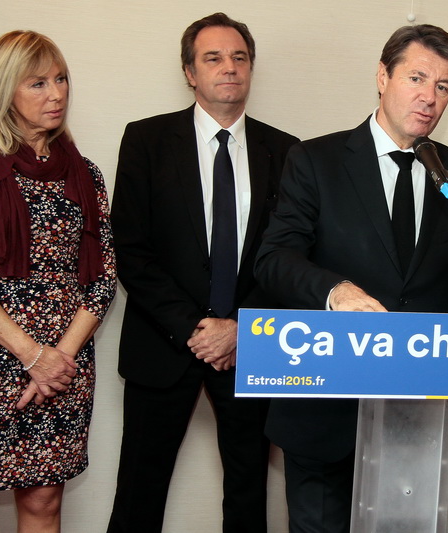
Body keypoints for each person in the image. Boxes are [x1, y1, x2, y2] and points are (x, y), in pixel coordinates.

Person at [254, 23, 448, 533]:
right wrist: (335, 291)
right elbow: (274, 259)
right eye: (417, 78)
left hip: (411, 417)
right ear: (382, 76)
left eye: (444, 86)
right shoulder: (316, 160)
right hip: (323, 405)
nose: (430, 97)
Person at [106, 12, 299, 533]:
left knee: (248, 493)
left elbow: (285, 255)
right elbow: (131, 249)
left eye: (239, 58)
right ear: (190, 72)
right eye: (213, 58)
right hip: (162, 343)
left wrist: (240, 327)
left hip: (250, 345)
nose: (229, 68)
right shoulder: (146, 141)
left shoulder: (286, 151)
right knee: (138, 495)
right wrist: (196, 328)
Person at [0, 30, 116, 533]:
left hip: (65, 363)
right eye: (37, 83)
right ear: (5, 90)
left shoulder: (87, 173)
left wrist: (57, 359)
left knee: (43, 503)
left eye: (61, 79)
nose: (56, 93)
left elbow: (103, 278)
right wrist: (32, 355)